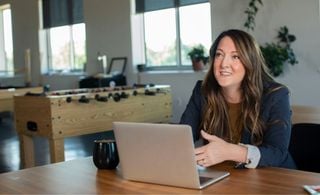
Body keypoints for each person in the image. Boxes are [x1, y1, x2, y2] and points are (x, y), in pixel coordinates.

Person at [180, 29, 296, 169]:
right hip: (224, 176)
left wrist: (230, 152)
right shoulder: (203, 90)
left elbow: (277, 153)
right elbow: (182, 137)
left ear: (250, 62)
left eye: (235, 57)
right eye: (219, 55)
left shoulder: (275, 95)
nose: (224, 64)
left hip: (272, 177)